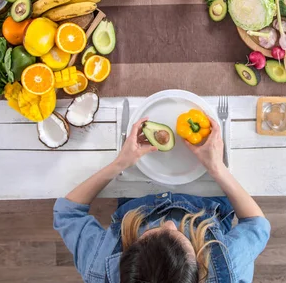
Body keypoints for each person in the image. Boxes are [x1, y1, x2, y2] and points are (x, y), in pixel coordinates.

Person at [54, 116, 270, 283]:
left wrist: (120, 163)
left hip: (137, 197)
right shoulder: (227, 268)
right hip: (209, 201)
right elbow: (256, 224)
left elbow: (67, 213)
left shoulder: (99, 268)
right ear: (199, 271)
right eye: (180, 235)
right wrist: (217, 168)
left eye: (151, 233)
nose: (168, 223)